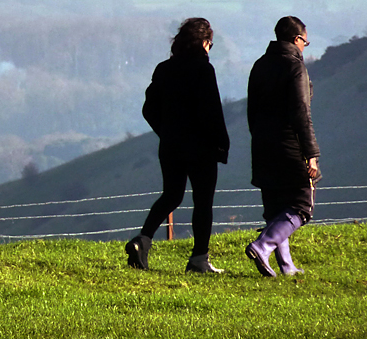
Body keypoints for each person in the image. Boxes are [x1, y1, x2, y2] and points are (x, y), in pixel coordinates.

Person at [126, 18, 230, 273]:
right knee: (203, 202)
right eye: (210, 44)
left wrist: (166, 132)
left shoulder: (164, 69)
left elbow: (148, 108)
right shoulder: (204, 70)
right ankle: (198, 259)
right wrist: (221, 143)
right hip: (201, 148)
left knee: (171, 195)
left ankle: (143, 240)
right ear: (204, 43)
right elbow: (212, 111)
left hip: (171, 147)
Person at [245, 16, 321, 277]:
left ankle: (286, 267)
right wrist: (311, 155)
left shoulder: (259, 65)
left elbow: (251, 111)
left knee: (276, 207)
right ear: (296, 39)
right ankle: (262, 246)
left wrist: (260, 139)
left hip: (263, 145)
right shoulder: (295, 67)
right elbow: (302, 114)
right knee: (302, 206)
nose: (304, 47)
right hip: (290, 145)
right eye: (305, 42)